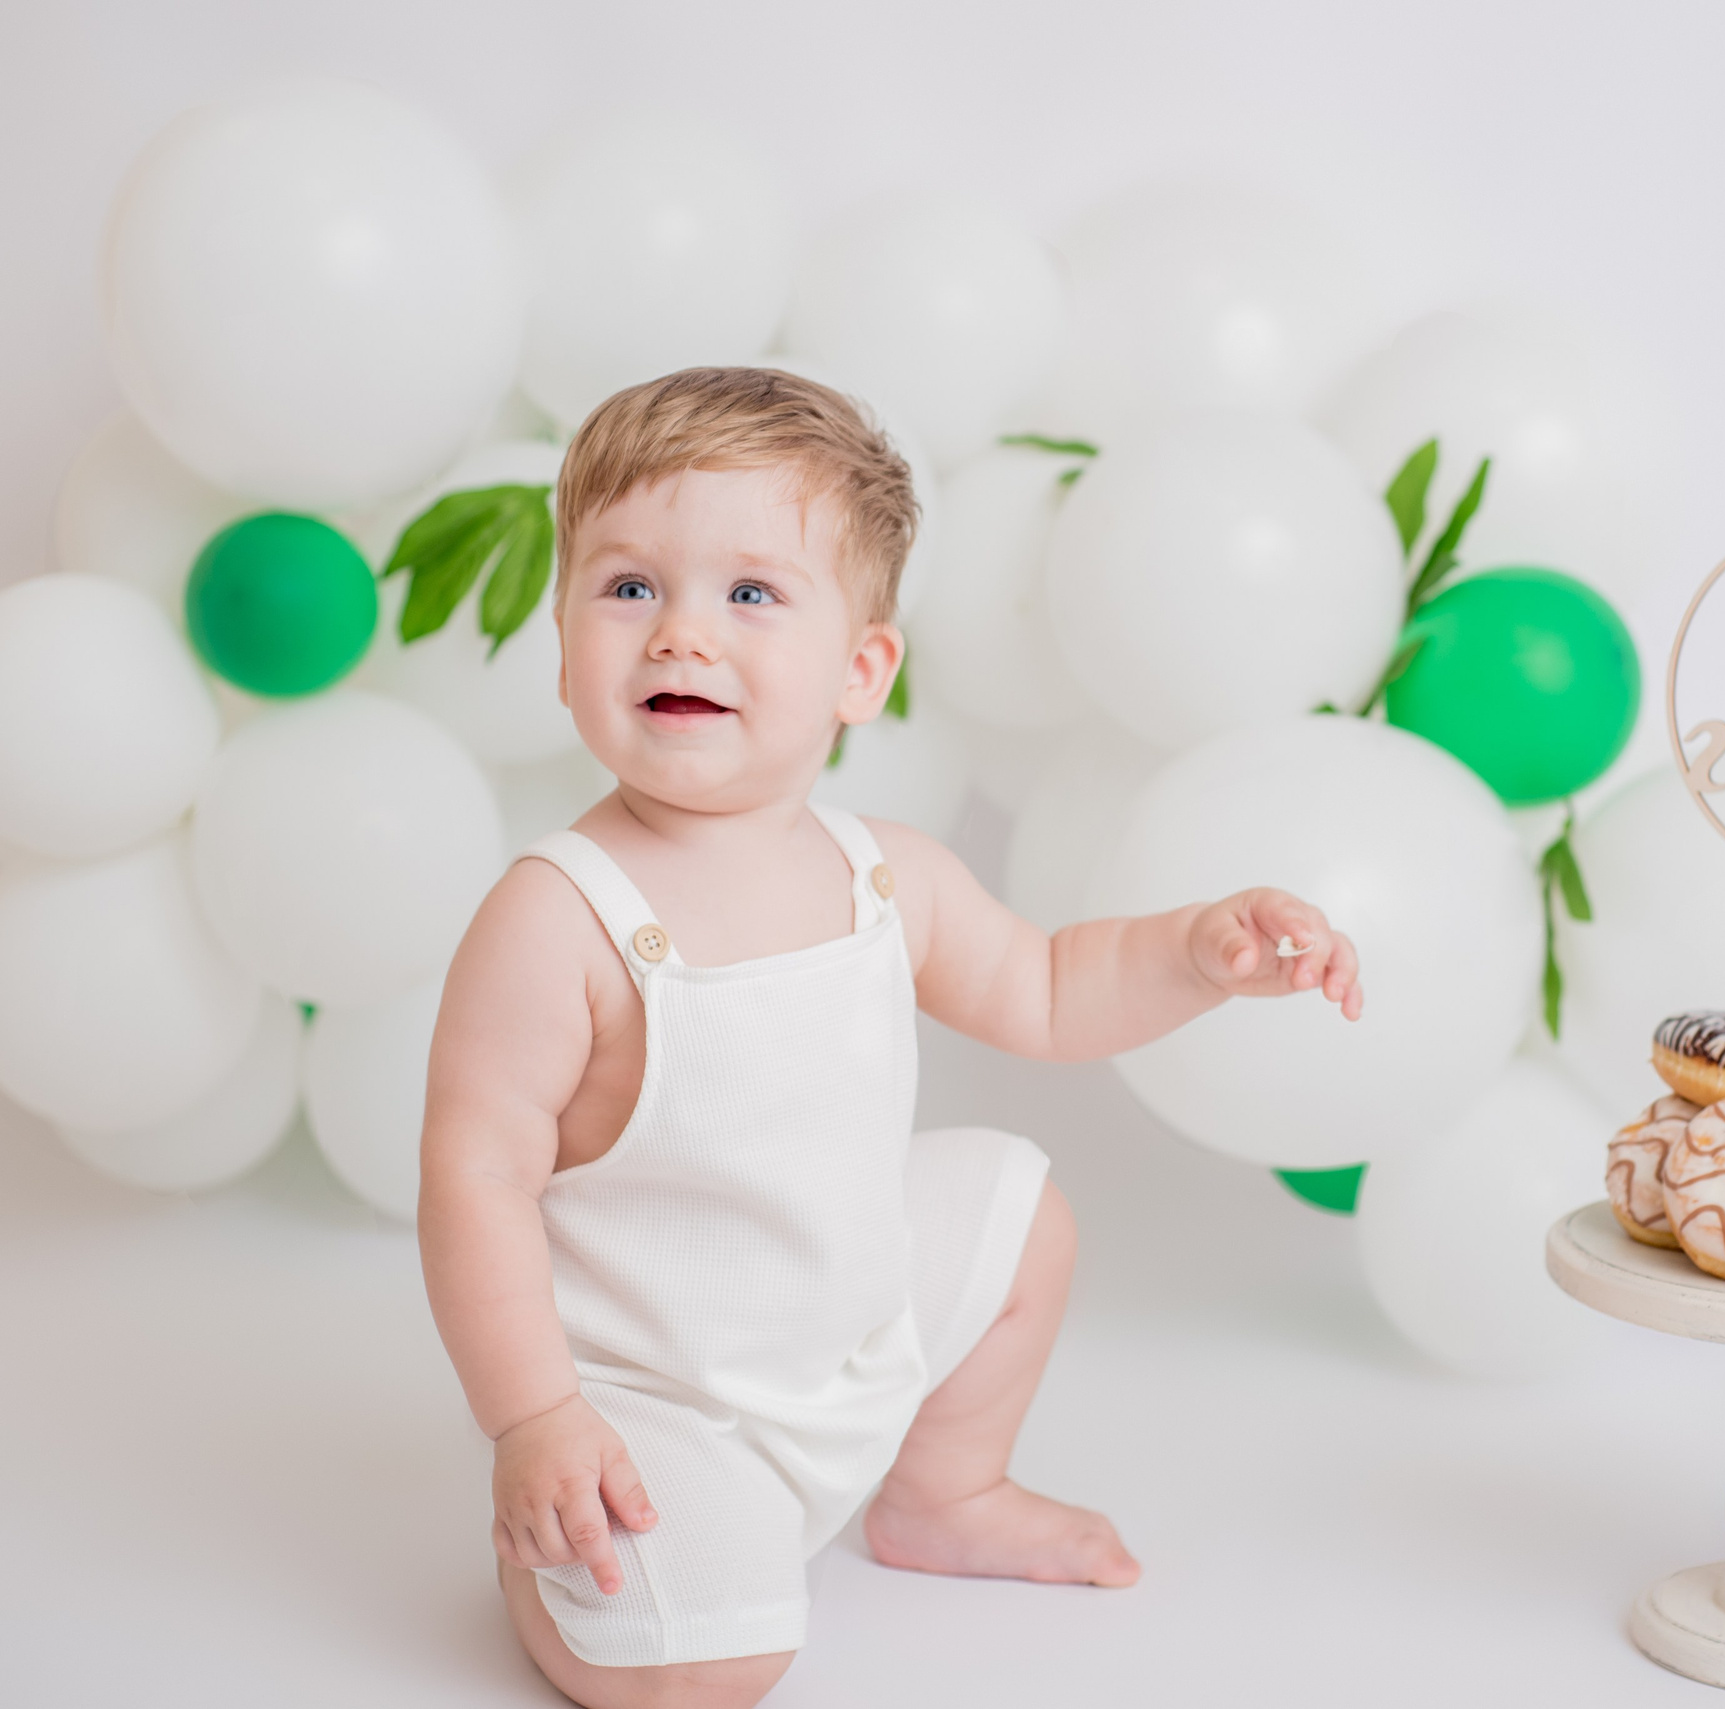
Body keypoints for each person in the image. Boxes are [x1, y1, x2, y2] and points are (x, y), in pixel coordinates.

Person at [418, 367, 1365, 1709]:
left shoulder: (886, 874)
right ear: (565, 631)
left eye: (749, 593)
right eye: (629, 586)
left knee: (1019, 1209)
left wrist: (1196, 949)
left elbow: (1046, 985)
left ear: (861, 669)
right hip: (661, 1399)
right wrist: (535, 1419)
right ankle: (551, 1562)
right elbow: (476, 1175)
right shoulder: (559, 916)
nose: (680, 633)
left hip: (853, 1334)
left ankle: (941, 1490)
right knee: (714, 1666)